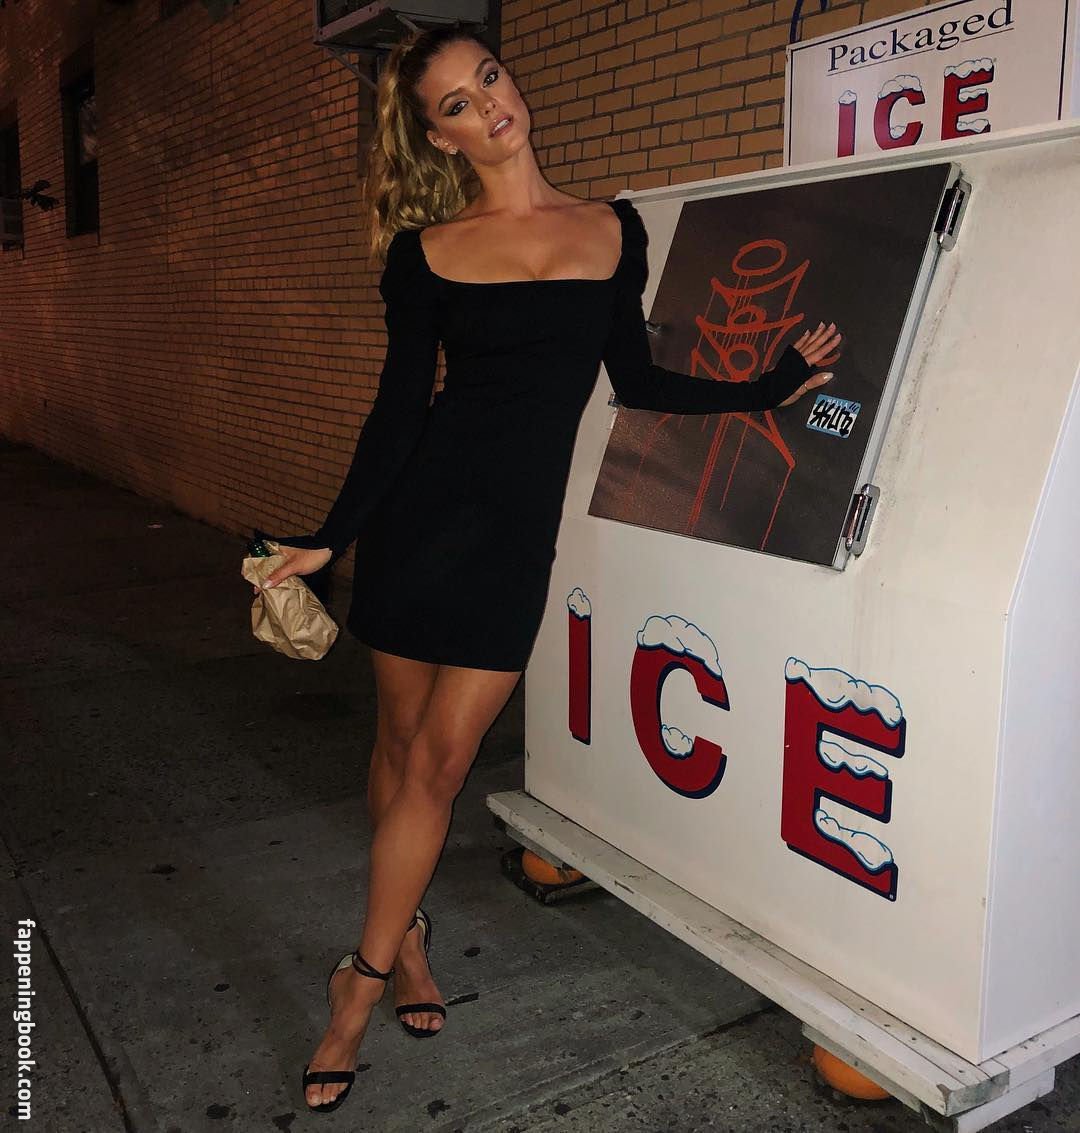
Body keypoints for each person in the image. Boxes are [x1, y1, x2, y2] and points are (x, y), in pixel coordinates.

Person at [260, 25, 842, 1114]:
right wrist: (333, 535)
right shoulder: (425, 252)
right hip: (421, 519)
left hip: (512, 536)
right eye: (456, 104)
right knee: (398, 746)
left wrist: (765, 388)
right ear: (439, 137)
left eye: (489, 77)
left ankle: (357, 983)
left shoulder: (613, 229)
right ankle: (406, 940)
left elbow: (637, 380)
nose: (489, 104)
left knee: (442, 764)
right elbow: (397, 413)